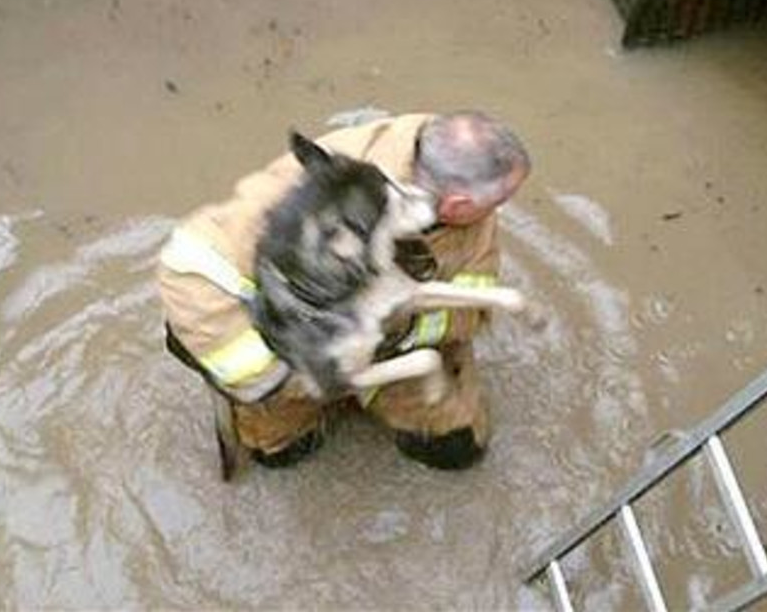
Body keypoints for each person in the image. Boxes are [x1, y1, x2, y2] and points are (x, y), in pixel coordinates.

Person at [157, 111, 531, 474]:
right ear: (458, 205)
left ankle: (375, 390)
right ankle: (307, 407)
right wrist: (284, 378)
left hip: (401, 344)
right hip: (292, 353)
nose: (498, 212)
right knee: (282, 456)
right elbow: (191, 269)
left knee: (455, 449)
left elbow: (471, 297)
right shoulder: (307, 191)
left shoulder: (462, 174)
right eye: (498, 202)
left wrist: (395, 335)